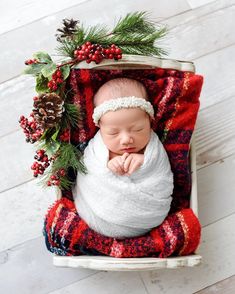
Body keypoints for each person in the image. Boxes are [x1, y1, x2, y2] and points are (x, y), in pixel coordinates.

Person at [73, 78, 174, 239]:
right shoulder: (97, 149)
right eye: (113, 133)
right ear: (100, 127)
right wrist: (108, 165)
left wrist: (144, 162)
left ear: (149, 121)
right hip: (98, 214)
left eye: (137, 129)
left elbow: (161, 173)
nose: (126, 139)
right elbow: (90, 170)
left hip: (145, 217)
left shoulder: (153, 147)